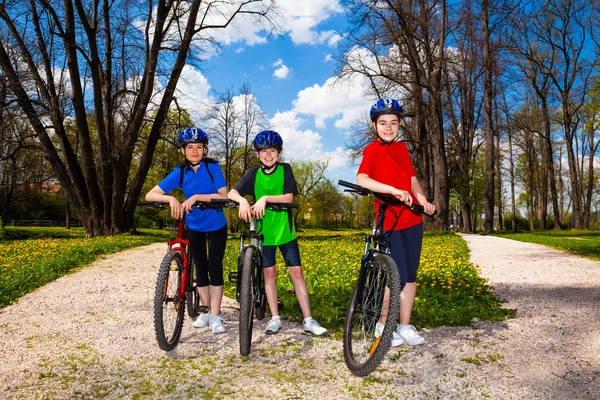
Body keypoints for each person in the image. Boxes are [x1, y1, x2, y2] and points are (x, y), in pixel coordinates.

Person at [228, 130, 328, 336]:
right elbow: (232, 192)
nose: (268, 154)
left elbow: (289, 197)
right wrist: (243, 201)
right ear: (257, 154)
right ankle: (275, 318)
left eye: (272, 150)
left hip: (285, 232)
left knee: (297, 273)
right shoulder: (252, 173)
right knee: (269, 274)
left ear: (279, 153)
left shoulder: (285, 170)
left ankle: (308, 320)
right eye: (263, 151)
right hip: (264, 233)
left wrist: (264, 198)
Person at [356, 98, 436, 346]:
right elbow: (362, 179)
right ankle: (383, 326)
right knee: (396, 274)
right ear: (375, 125)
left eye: (393, 122)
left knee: (410, 275)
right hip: (389, 218)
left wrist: (423, 199)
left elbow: (412, 181)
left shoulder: (402, 150)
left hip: (411, 217)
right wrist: (391, 190)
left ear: (399, 124)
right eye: (383, 123)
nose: (389, 127)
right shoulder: (371, 150)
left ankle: (404, 326)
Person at [145, 127, 229, 334]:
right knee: (200, 266)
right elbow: (150, 195)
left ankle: (216, 316)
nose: (194, 151)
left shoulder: (212, 168)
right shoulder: (179, 173)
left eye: (199, 147)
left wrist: (197, 197)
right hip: (195, 226)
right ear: (183, 150)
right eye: (189, 147)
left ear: (204, 149)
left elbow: (224, 196)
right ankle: (207, 311)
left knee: (214, 266)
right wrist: (170, 198)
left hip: (217, 224)